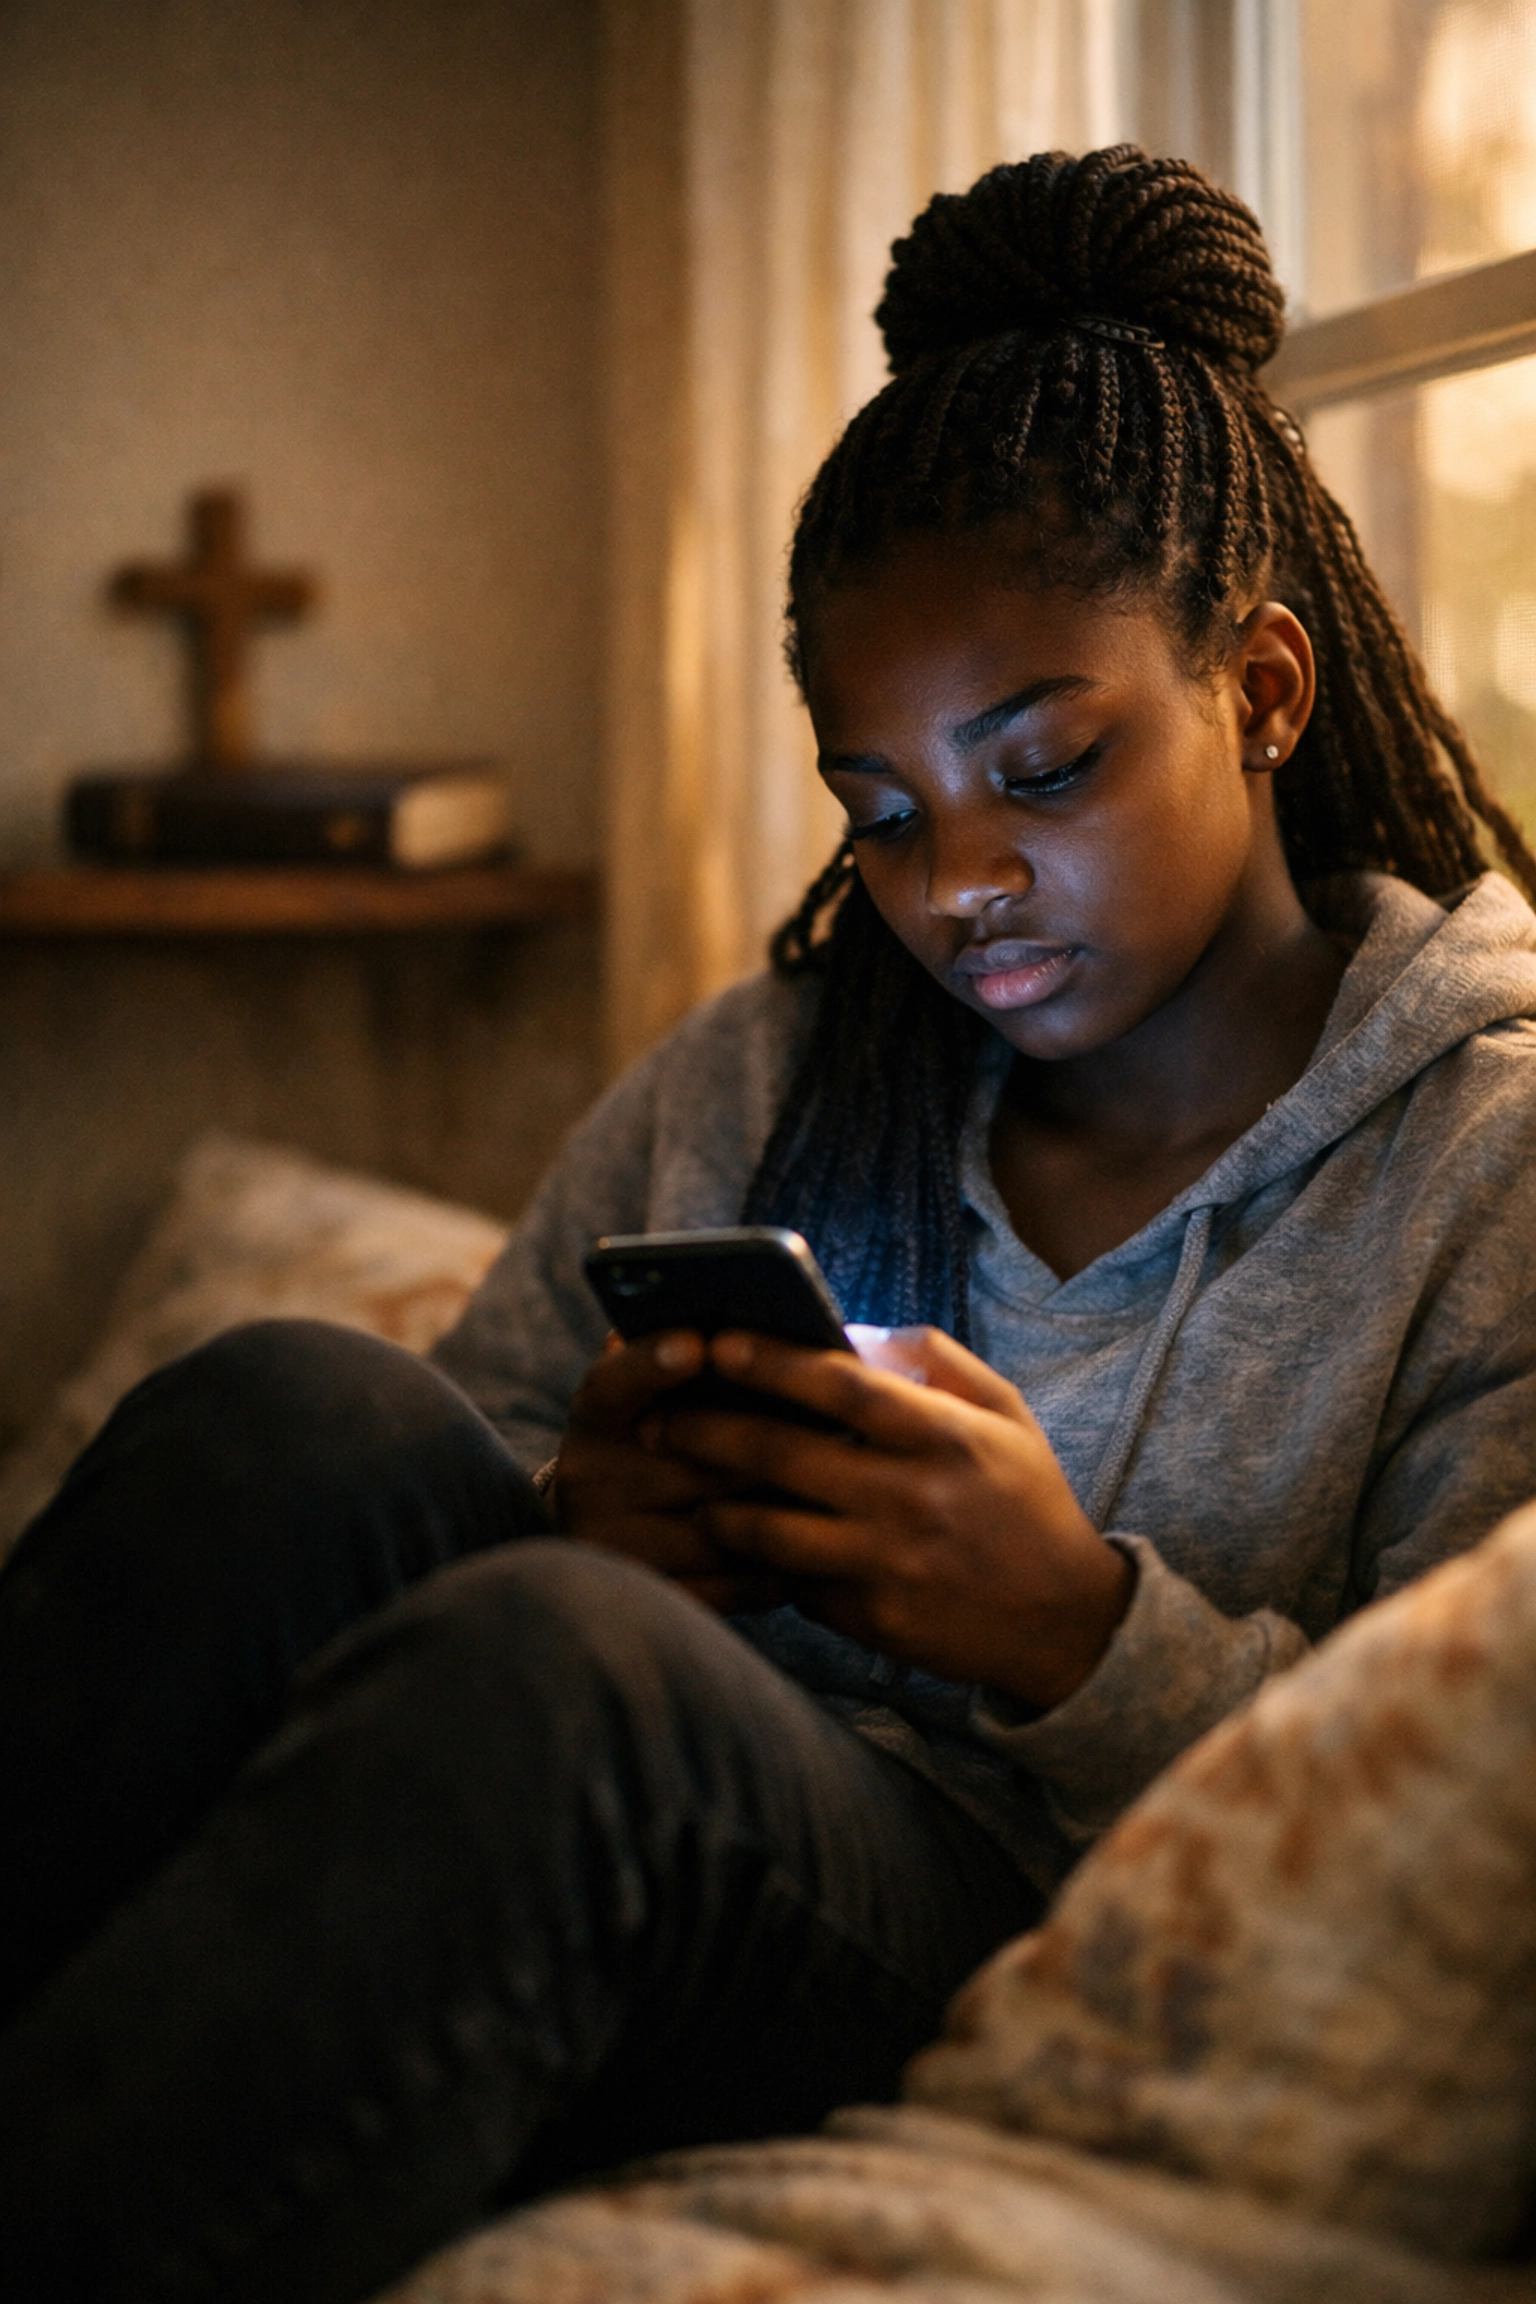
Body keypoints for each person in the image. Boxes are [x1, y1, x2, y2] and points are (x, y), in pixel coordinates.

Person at [6, 146, 1536, 2304]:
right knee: (290, 1410)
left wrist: (1073, 1633)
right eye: (885, 812)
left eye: (1050, 763)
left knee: (579, 1674)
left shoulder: (1490, 1156)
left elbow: (1460, 1817)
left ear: (1264, 692)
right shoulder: (771, 1073)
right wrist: (576, 1508)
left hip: (1008, 1936)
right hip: (612, 1829)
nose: (957, 882)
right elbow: (459, 1492)